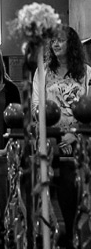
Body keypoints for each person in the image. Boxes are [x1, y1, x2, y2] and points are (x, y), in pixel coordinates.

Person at [32, 26, 91, 155]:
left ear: (71, 44)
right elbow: (36, 106)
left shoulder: (87, 72)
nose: (55, 44)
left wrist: (74, 134)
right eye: (53, 41)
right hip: (49, 136)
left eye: (60, 40)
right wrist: (55, 136)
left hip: (79, 138)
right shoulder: (43, 71)